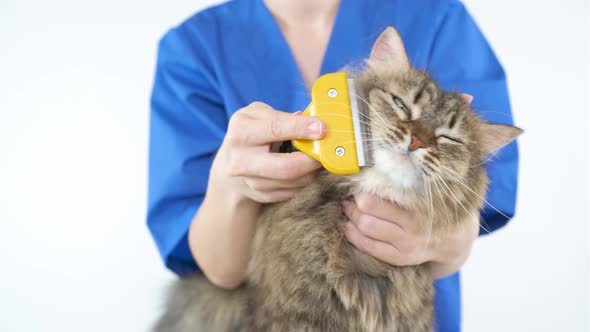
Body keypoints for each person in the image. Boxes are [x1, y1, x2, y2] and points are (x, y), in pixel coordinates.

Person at [147, 0, 519, 330]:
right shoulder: (193, 48)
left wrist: (449, 241)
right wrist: (230, 186)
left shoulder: (438, 16)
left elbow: (480, 194)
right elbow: (219, 270)